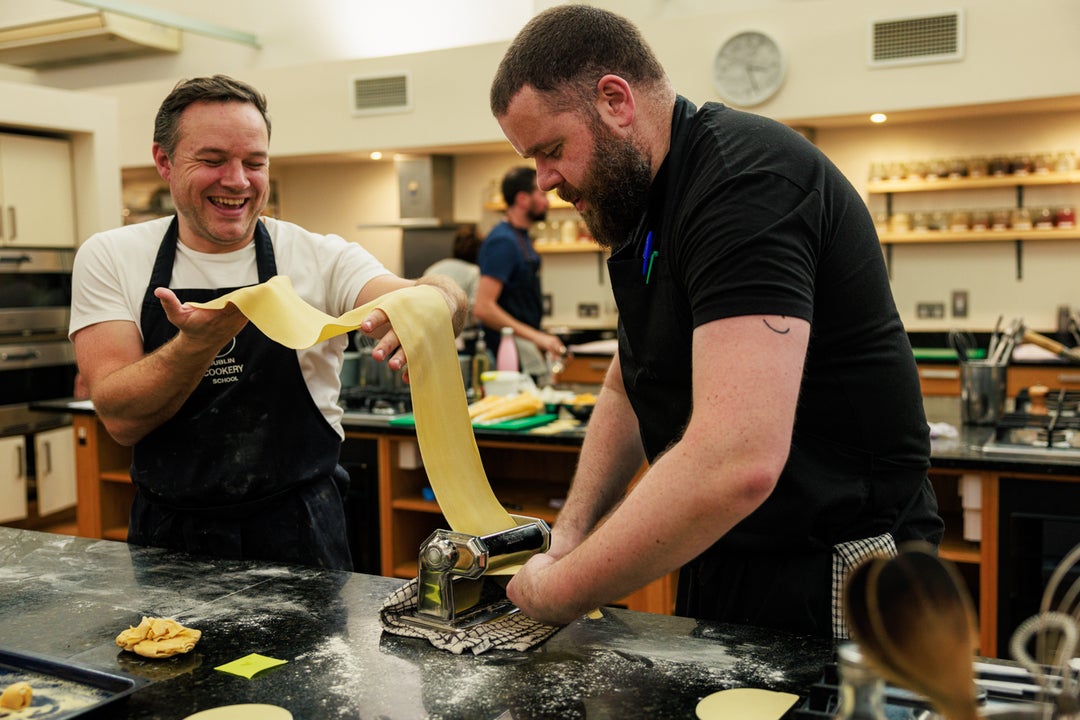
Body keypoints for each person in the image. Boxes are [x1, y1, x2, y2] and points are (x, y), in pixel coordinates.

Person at [489, 5, 944, 639]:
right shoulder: (646, 203)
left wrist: (561, 590)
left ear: (615, 101)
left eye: (552, 150)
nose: (544, 181)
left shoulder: (744, 185)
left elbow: (737, 459)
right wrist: (568, 537)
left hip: (839, 567)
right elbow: (630, 379)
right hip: (731, 551)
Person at [69, 75, 466, 572]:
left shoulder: (318, 256)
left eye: (254, 163)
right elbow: (120, 417)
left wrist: (443, 302)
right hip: (169, 539)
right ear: (164, 162)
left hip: (301, 532)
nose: (237, 180)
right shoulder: (112, 256)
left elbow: (430, 296)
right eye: (212, 161)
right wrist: (199, 345)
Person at [473, 166, 565, 382]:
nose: (547, 202)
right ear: (523, 199)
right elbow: (483, 308)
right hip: (507, 355)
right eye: (541, 194)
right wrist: (537, 337)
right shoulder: (503, 242)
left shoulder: (520, 237)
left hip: (522, 347)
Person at [423, 223, 483, 349]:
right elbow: (475, 311)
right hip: (462, 341)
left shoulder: (434, 268)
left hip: (430, 337)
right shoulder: (474, 271)